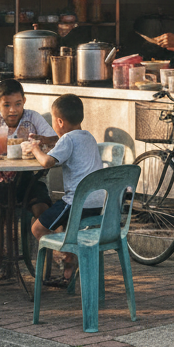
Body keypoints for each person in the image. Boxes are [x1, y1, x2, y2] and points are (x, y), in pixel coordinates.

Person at [0, 79, 56, 265]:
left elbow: (55, 138)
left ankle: (47, 260)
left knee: (42, 210)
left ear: (24, 101)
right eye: (7, 105)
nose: (13, 110)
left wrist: (41, 139)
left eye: (17, 104)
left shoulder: (33, 118)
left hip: (32, 180)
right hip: (4, 182)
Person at [25, 94, 103, 283]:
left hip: (77, 202)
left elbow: (47, 162)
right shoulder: (88, 136)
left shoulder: (67, 140)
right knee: (66, 228)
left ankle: (66, 255)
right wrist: (46, 140)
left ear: (59, 121)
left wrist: (35, 148)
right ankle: (69, 263)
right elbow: (64, 143)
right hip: (99, 203)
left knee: (37, 229)